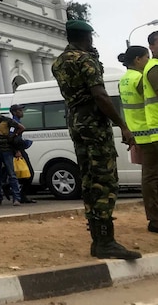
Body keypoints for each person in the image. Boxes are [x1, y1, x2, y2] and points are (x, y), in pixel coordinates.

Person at [51, 19, 140, 260]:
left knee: (89, 179)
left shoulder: (58, 62)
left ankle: (97, 240)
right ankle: (106, 242)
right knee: (105, 180)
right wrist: (122, 125)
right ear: (87, 37)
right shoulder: (86, 60)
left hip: (76, 124)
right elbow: (99, 95)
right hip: (94, 125)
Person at [129, 41, 158, 232]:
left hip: (145, 132)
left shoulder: (129, 77)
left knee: (150, 177)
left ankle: (154, 219)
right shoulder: (152, 69)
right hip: (152, 131)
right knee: (151, 178)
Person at [8, 104, 37, 203]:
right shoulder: (13, 123)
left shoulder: (17, 122)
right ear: (15, 112)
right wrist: (16, 150)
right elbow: (12, 138)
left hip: (20, 149)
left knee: (24, 174)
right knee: (29, 173)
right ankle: (12, 190)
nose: (22, 112)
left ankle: (21, 195)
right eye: (20, 110)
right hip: (17, 151)